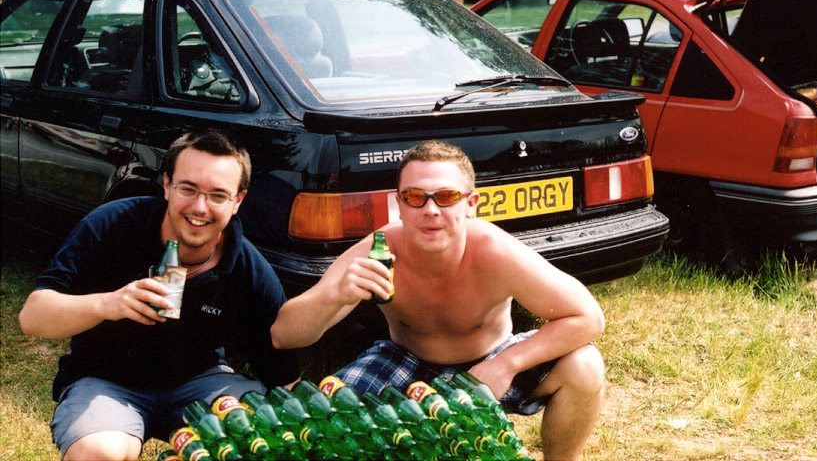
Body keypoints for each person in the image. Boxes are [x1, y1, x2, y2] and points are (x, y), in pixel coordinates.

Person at [271, 139, 605, 460]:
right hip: (405, 361)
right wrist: (334, 294)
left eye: (446, 196)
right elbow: (284, 335)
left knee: (584, 365)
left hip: (491, 358)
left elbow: (588, 317)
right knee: (329, 413)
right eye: (416, 197)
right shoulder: (379, 250)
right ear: (399, 204)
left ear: (470, 204)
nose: (430, 210)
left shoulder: (495, 251)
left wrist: (505, 364)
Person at [18, 130, 300, 461]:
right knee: (98, 454)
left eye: (217, 195)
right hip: (105, 381)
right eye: (188, 188)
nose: (199, 207)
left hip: (200, 383)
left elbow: (283, 372)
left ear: (238, 200)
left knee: (257, 441)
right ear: (166, 185)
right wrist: (108, 303)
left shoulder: (248, 268)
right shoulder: (112, 224)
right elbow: (32, 317)